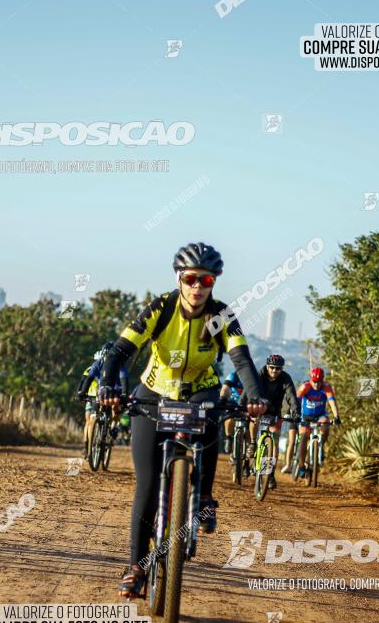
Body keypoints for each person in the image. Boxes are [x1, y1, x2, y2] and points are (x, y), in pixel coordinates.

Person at [99, 242, 267, 598]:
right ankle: (135, 566)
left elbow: (241, 359)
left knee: (212, 413)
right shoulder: (161, 308)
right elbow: (120, 350)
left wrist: (254, 396)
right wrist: (109, 384)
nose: (197, 287)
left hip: (199, 389)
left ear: (213, 282)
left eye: (206, 280)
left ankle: (204, 497)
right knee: (146, 484)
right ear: (179, 278)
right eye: (191, 279)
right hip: (154, 392)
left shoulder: (221, 315)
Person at [243, 354, 300, 490]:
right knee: (255, 418)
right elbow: (248, 390)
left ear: (282, 369)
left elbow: (291, 396)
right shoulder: (260, 374)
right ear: (267, 366)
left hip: (275, 410)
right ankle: (252, 443)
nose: (274, 371)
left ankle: (270, 473)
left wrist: (296, 412)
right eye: (272, 367)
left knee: (274, 439)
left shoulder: (286, 378)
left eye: (278, 368)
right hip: (259, 406)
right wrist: (244, 405)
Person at [77, 342, 128, 456]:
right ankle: (97, 428)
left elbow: (124, 379)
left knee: (115, 408)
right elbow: (89, 378)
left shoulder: (119, 364)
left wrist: (124, 394)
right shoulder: (98, 363)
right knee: (95, 412)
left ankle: (114, 426)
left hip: (116, 389)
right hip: (102, 390)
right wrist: (82, 392)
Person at [295, 367, 340, 477]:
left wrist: (337, 416)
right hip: (306, 417)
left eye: (319, 382)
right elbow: (296, 401)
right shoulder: (305, 387)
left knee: (326, 424)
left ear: (322, 380)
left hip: (320, 416)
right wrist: (295, 414)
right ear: (311, 379)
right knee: (304, 437)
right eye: (314, 382)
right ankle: (301, 466)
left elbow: (332, 402)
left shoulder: (326, 388)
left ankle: (320, 446)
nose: (316, 385)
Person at [220, 369, 244, 454]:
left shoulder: (253, 376)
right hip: (233, 402)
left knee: (249, 428)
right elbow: (225, 388)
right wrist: (223, 399)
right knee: (229, 419)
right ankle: (228, 438)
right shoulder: (233, 375)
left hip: (247, 403)